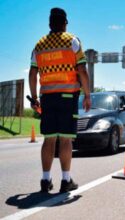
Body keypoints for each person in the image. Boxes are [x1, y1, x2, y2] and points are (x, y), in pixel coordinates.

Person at [29, 8, 91, 193]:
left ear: (49, 24)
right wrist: (87, 95)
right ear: (65, 23)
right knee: (65, 140)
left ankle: (45, 180)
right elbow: (82, 71)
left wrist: (33, 98)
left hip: (47, 99)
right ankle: (66, 180)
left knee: (48, 140)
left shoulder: (39, 45)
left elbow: (32, 73)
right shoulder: (72, 41)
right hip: (67, 97)